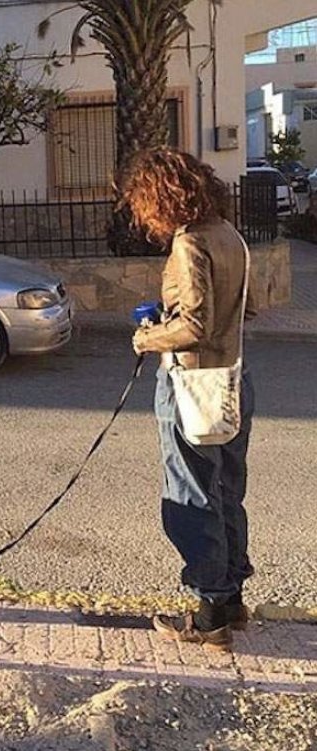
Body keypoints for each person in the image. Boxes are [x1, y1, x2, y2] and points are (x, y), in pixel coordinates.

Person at [120, 147, 256, 651]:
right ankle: (231, 600)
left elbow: (196, 325)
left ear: (159, 196)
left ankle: (208, 613)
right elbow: (246, 309)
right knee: (224, 490)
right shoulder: (231, 235)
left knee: (190, 495)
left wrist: (148, 337)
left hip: (193, 385)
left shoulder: (191, 242)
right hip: (235, 379)